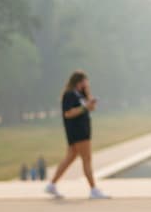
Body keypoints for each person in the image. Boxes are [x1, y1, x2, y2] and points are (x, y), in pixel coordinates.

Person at [45, 70, 109, 199]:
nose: (87, 83)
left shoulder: (80, 95)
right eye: (86, 81)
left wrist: (89, 96)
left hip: (82, 130)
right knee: (87, 160)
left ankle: (51, 185)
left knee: (70, 158)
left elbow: (91, 108)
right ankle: (93, 189)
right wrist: (84, 108)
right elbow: (68, 113)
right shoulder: (70, 95)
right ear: (79, 81)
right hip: (78, 131)